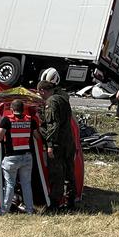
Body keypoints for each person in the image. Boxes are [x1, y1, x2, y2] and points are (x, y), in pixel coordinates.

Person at [37, 78, 77, 212]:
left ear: (43, 91)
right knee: (69, 172)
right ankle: (70, 201)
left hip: (58, 144)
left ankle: (55, 204)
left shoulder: (51, 103)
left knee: (56, 173)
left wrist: (50, 144)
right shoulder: (63, 99)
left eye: (39, 92)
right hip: (68, 142)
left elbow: (52, 125)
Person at [0, 99, 41, 215]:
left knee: (10, 184)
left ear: (11, 109)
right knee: (26, 183)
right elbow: (37, 137)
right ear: (23, 109)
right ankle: (29, 209)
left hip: (11, 158)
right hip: (26, 157)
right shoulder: (30, 120)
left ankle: (4, 210)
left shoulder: (7, 120)